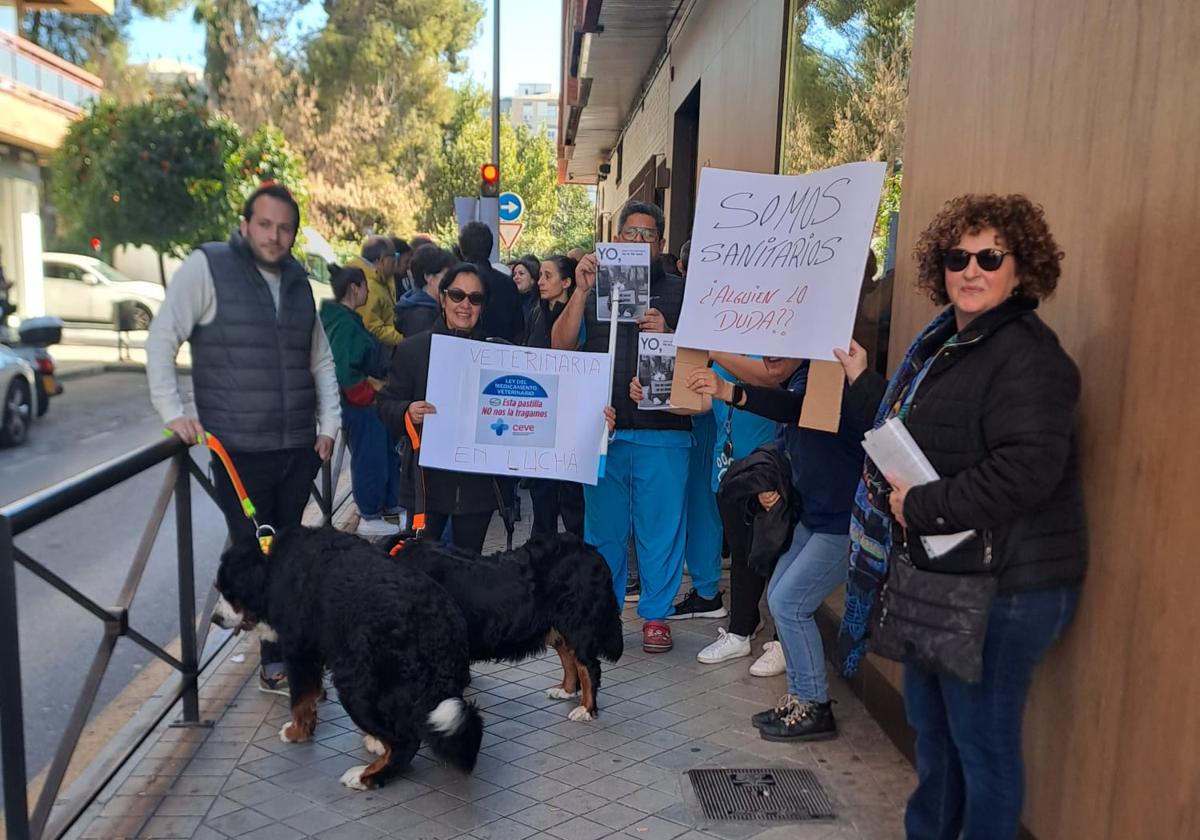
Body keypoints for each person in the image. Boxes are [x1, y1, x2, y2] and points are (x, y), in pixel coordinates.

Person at [835, 194, 1085, 839]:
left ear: (1021, 268)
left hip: (1008, 589)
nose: (970, 270)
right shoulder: (951, 344)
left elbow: (1027, 471)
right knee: (938, 741)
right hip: (949, 577)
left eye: (989, 257)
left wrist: (921, 506)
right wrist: (867, 382)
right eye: (957, 257)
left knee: (982, 748)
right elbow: (921, 437)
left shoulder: (1029, 355)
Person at [145, 182, 339, 696]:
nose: (275, 236)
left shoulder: (298, 279)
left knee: (288, 549)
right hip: (238, 450)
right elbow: (162, 338)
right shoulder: (207, 268)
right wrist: (173, 413)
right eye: (266, 225)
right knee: (258, 549)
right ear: (245, 225)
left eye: (285, 228)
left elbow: (319, 358)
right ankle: (275, 656)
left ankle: (291, 647)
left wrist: (329, 426)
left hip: (297, 447)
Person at [689, 352, 871, 741]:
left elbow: (793, 408)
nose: (771, 354)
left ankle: (815, 706)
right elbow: (787, 439)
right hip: (814, 516)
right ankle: (802, 696)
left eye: (782, 346)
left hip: (841, 525)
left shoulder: (827, 379)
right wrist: (771, 484)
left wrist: (730, 391)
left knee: (789, 602)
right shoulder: (799, 378)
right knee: (778, 594)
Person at [551, 200, 689, 654]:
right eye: (629, 233)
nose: (637, 242)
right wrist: (579, 291)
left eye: (647, 235)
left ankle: (655, 616)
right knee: (603, 531)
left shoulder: (682, 291)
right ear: (616, 237)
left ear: (661, 243)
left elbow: (701, 359)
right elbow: (562, 344)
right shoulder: (593, 285)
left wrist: (669, 334)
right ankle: (604, 616)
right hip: (603, 429)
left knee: (660, 528)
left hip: (664, 430)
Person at [376, 263, 498, 553]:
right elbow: (385, 406)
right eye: (457, 295)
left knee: (469, 572)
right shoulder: (413, 350)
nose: (465, 305)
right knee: (419, 575)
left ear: (482, 307)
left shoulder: (500, 354)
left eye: (475, 298)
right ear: (443, 298)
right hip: (425, 487)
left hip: (477, 489)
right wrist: (407, 411)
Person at [319, 264, 400, 537]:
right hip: (359, 404)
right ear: (355, 288)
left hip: (362, 400)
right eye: (365, 285)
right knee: (370, 457)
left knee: (381, 452)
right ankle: (370, 512)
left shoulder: (342, 320)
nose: (368, 290)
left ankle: (388, 505)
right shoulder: (344, 324)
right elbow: (344, 371)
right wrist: (369, 394)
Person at [524, 255, 584, 537]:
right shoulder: (536, 312)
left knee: (571, 493)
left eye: (548, 276)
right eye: (540, 276)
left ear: (567, 281)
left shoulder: (577, 315)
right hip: (539, 415)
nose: (540, 282)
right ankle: (542, 550)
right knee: (542, 492)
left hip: (569, 414)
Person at [458, 222, 524, 343]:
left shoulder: (456, 282)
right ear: (490, 247)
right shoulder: (508, 284)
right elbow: (519, 328)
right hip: (503, 353)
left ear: (462, 249)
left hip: (464, 351)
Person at [352, 236, 403, 347]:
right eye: (394, 256)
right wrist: (402, 340)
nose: (396, 261)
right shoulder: (368, 287)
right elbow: (372, 328)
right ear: (380, 261)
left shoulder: (381, 280)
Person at [396, 245, 454, 338]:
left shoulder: (424, 306)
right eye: (447, 276)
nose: (452, 282)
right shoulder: (421, 316)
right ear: (429, 277)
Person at [510, 254, 540, 320]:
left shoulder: (541, 305)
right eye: (514, 274)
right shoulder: (510, 301)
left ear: (533, 279)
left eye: (521, 274)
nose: (516, 277)